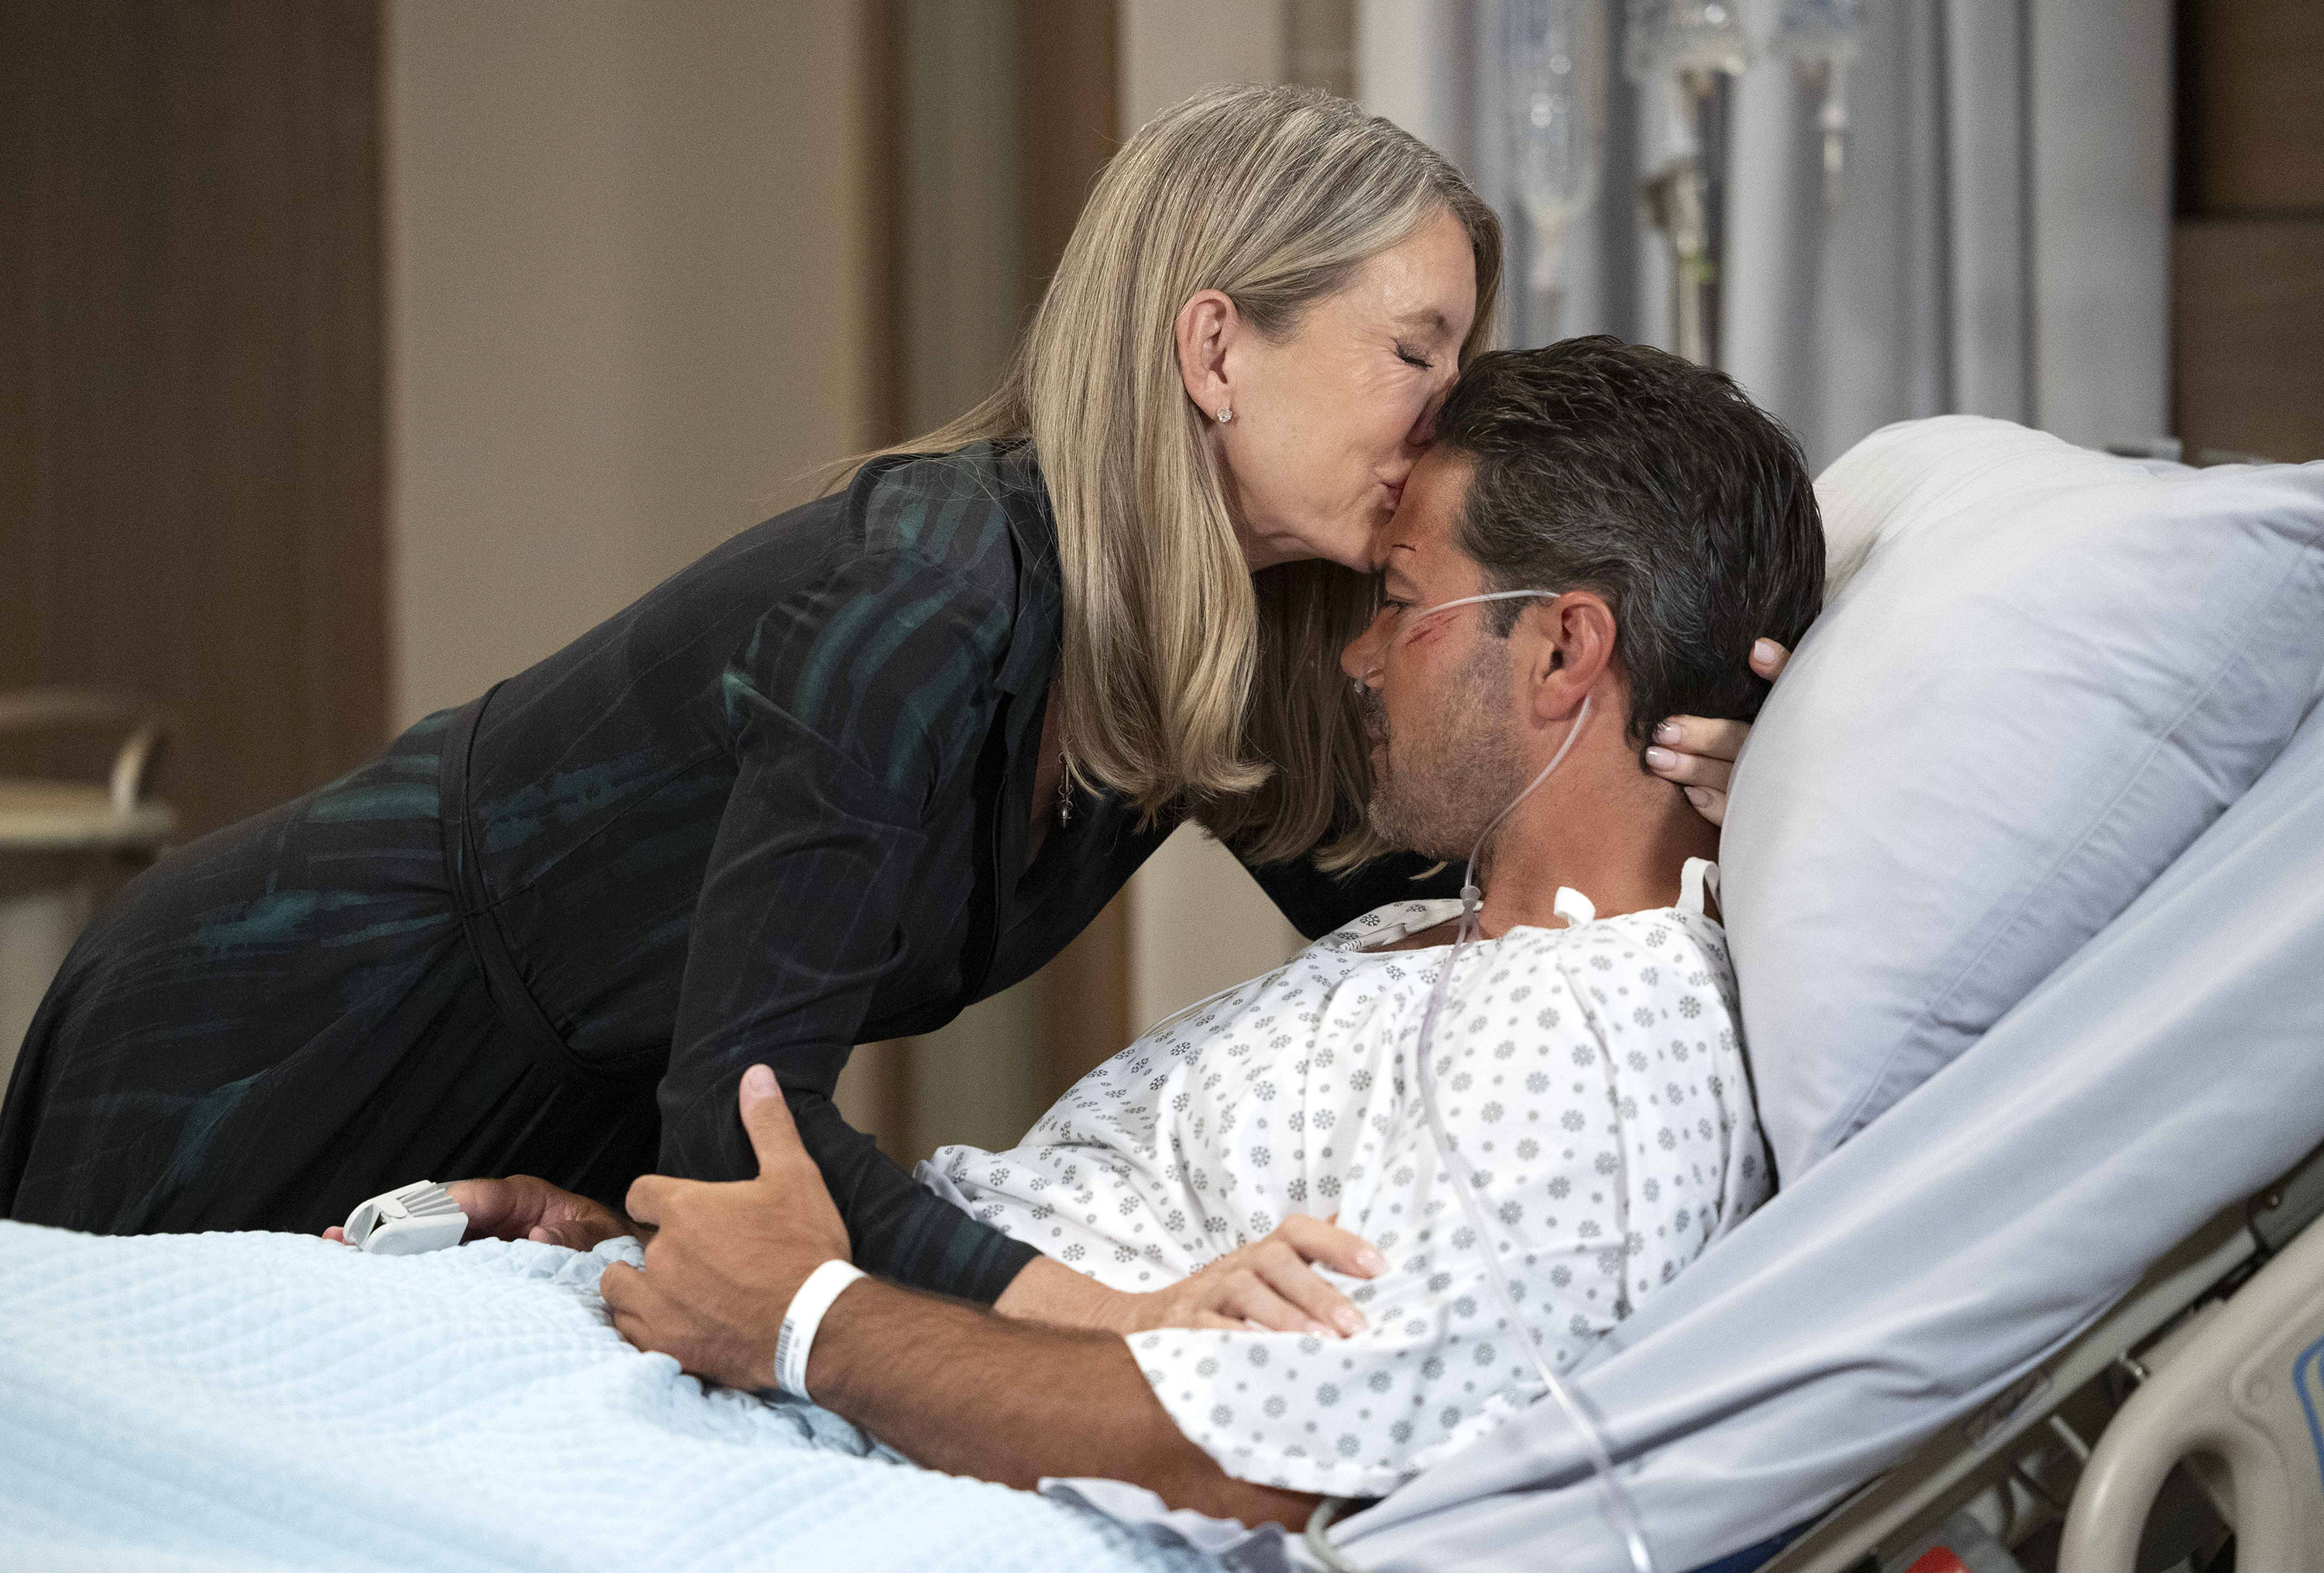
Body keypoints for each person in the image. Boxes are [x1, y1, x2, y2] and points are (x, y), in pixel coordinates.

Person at [0, 87, 1776, 1343]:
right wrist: (1125, 1314)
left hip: (572, 1113)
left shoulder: (1208, 642)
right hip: (292, 1017)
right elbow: (747, 1131)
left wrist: (1717, 779)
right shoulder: (931, 591)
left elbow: (1464, 911)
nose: (1443, 416)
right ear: (1217, 348)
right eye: (1416, 352)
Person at [475, 336, 1826, 1524]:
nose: (1356, 657)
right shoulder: (1438, 928)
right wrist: (666, 1257)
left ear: (1563, 651)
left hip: (830, 1447)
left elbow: (1275, 1465)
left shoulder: (1598, 1034)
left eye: (1402, 604)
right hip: (777, 1370)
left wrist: (804, 1324)